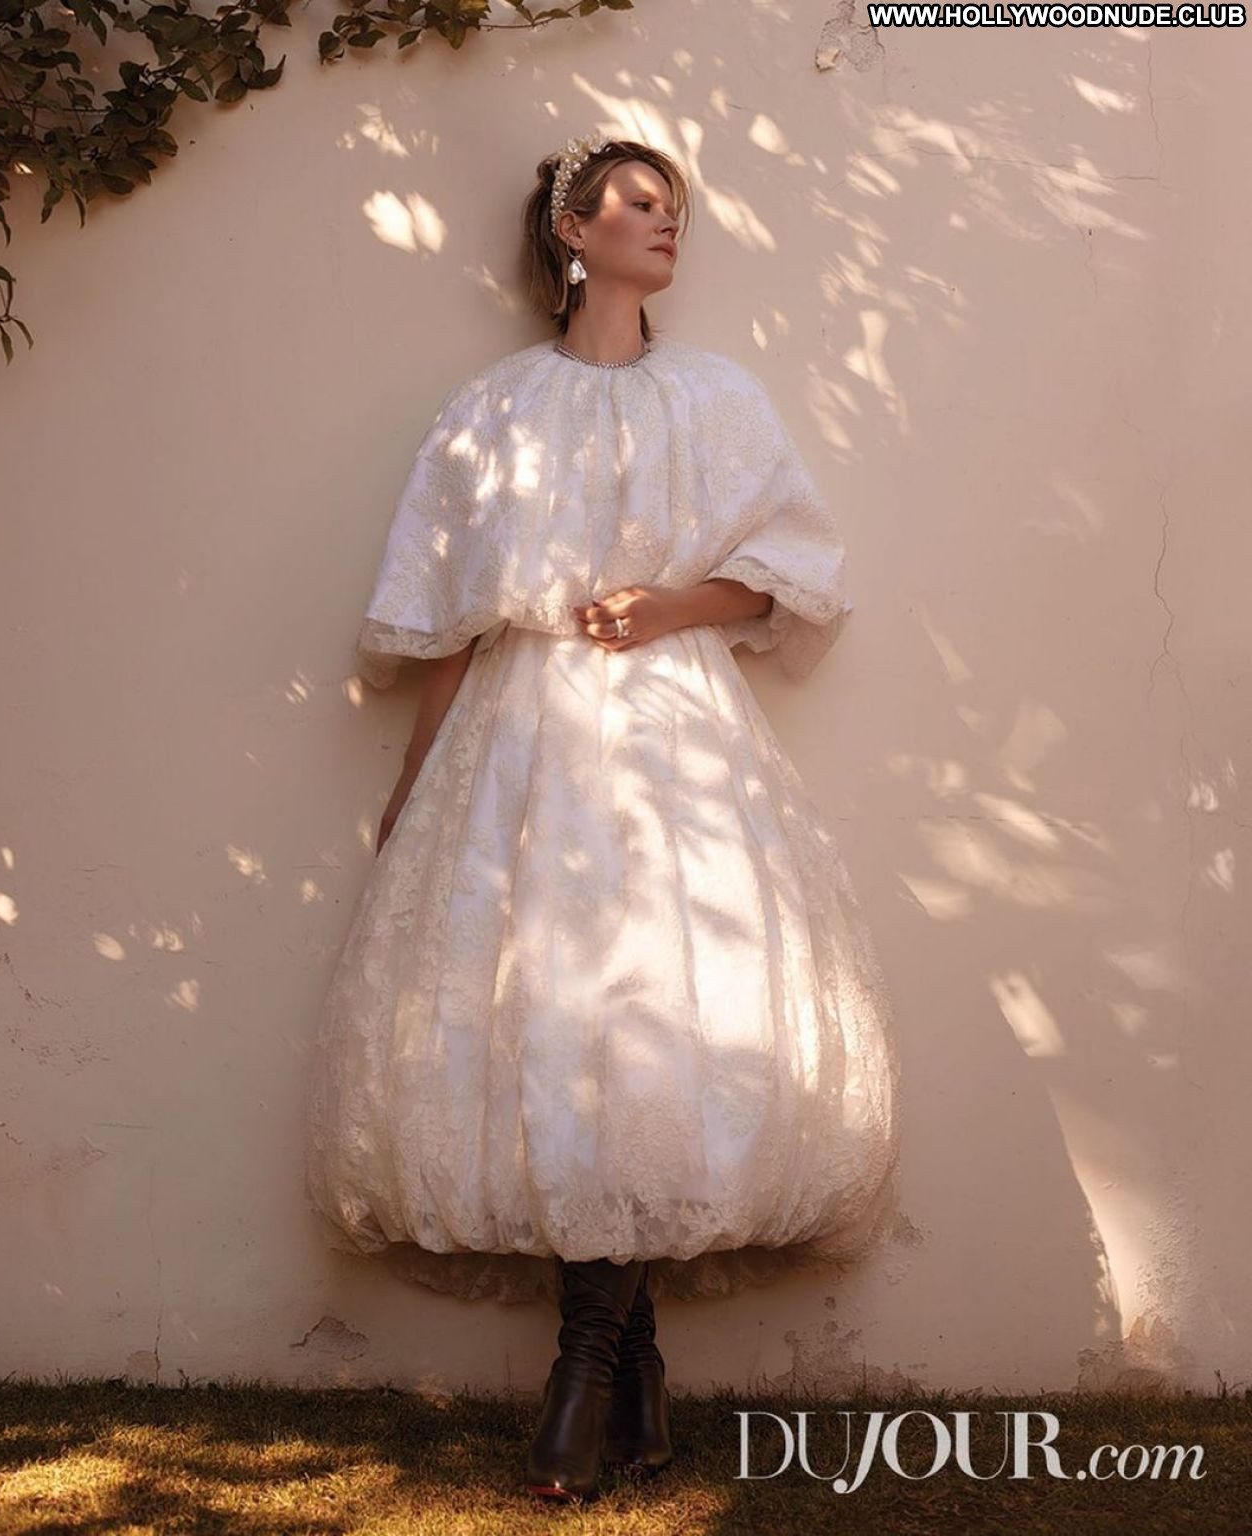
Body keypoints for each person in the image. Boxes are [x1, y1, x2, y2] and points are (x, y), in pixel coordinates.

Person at [303, 131, 901, 1504]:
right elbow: (452, 616)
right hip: (524, 740)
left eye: (675, 206)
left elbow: (796, 572)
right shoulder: (496, 407)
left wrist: (674, 602)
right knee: (564, 1024)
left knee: (660, 1022)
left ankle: (586, 1374)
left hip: (678, 736)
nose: (665, 221)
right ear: (573, 231)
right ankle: (631, 1374)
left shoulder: (717, 396)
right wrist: (413, 783)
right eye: (638, 202)